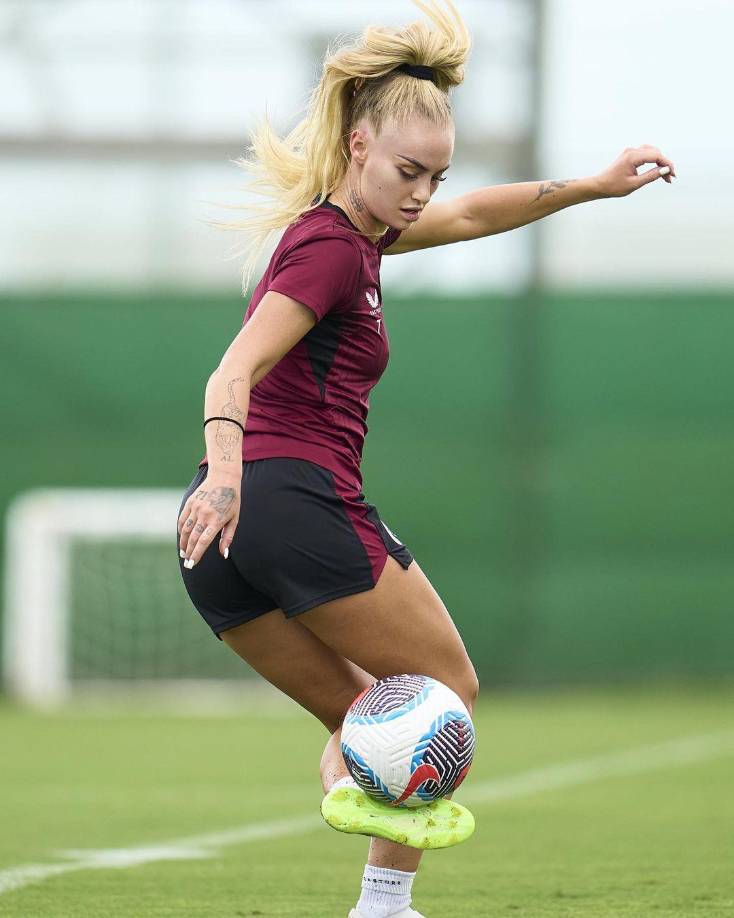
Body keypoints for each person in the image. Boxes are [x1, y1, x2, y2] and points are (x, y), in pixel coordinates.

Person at [176, 2, 675, 915]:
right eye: (408, 171)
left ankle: (367, 844)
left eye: (433, 174)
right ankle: (383, 896)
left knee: (364, 716)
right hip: (281, 499)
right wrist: (225, 469)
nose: (420, 193)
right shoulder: (329, 250)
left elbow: (476, 214)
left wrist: (594, 187)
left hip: (215, 543)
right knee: (446, 693)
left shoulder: (360, 234)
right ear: (358, 145)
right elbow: (232, 368)